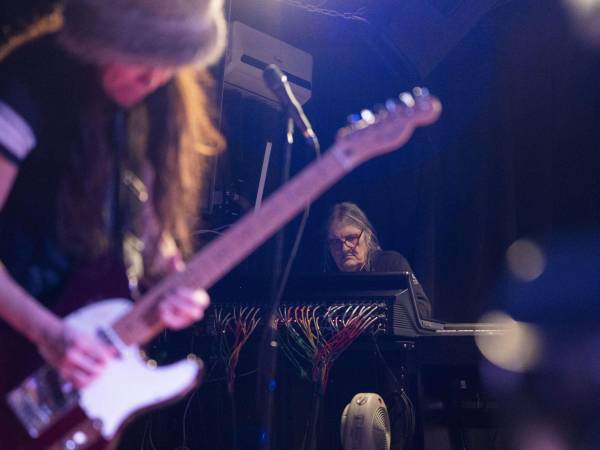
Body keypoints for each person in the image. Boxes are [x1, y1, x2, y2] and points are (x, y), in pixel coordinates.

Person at [0, 0, 227, 389]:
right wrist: (48, 334)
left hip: (64, 380)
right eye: (140, 55)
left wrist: (172, 282)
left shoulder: (156, 103)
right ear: (98, 38)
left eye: (170, 61)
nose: (153, 77)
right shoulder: (25, 85)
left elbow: (147, 230)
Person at [325, 202, 432, 318]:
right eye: (335, 242)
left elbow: (422, 309)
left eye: (351, 238)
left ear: (367, 235)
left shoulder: (391, 263)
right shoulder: (327, 278)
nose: (344, 248)